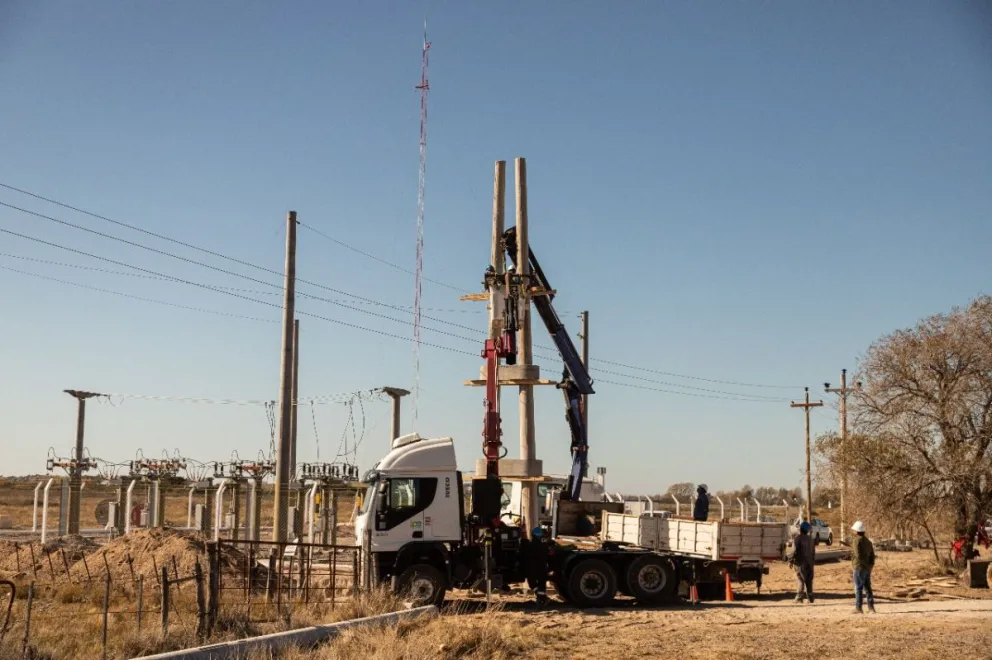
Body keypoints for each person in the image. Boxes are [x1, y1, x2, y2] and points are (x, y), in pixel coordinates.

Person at [851, 520, 876, 613]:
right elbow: (872, 556)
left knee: (858, 588)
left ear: (857, 531)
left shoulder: (856, 541)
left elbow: (858, 555)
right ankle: (871, 607)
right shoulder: (868, 542)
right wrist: (870, 566)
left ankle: (858, 607)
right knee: (868, 587)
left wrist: (864, 564)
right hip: (867, 568)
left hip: (859, 567)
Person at [523, 526, 552, 605]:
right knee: (541, 585)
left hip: (532, 569)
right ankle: (542, 599)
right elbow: (547, 554)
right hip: (541, 568)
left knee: (532, 584)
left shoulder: (530, 544)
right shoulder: (543, 545)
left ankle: (542, 598)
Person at [791, 521, 815, 603]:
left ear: (800, 529)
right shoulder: (811, 539)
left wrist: (790, 561)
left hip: (800, 563)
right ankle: (810, 598)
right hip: (810, 563)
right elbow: (813, 552)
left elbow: (794, 552)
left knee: (800, 579)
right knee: (809, 580)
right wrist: (812, 563)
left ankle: (799, 598)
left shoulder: (797, 539)